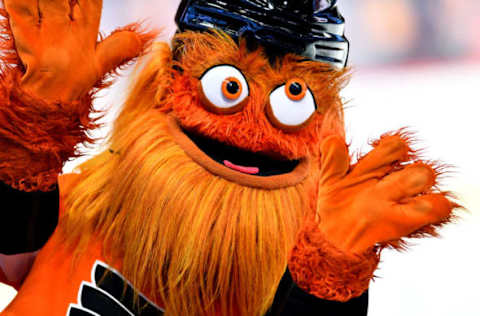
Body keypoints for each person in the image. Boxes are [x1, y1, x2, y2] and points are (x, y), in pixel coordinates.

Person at [0, 1, 456, 315]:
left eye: (290, 99)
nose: (251, 131)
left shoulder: (281, 276)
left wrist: (324, 283)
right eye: (228, 88)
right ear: (165, 87)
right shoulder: (94, 205)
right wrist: (31, 133)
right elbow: (12, 244)